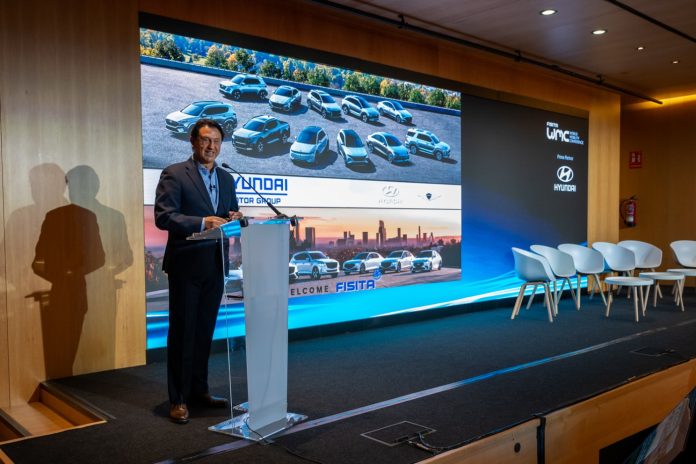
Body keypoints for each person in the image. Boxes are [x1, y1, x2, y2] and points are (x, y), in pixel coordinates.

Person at [155, 119, 243, 424]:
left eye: (216, 141)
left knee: (204, 331)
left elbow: (228, 213)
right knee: (183, 332)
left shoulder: (227, 178)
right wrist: (202, 222)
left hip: (216, 264)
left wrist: (234, 216)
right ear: (193, 141)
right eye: (205, 140)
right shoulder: (175, 173)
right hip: (186, 265)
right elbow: (164, 217)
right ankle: (178, 399)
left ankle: (199, 390)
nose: (211, 147)